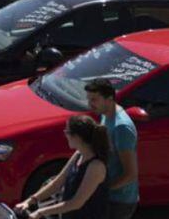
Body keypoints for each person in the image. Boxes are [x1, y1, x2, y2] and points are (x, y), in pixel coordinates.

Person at [13, 115, 109, 218]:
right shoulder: (78, 154)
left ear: (77, 137)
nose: (65, 134)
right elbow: (58, 182)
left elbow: (76, 203)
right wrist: (30, 201)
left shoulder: (96, 167)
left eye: (67, 132)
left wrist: (40, 212)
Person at [86, 79, 139, 219]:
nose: (90, 104)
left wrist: (102, 189)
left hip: (119, 201)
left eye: (94, 100)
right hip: (109, 197)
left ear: (109, 99)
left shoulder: (121, 128)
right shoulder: (106, 114)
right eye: (89, 99)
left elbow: (130, 174)